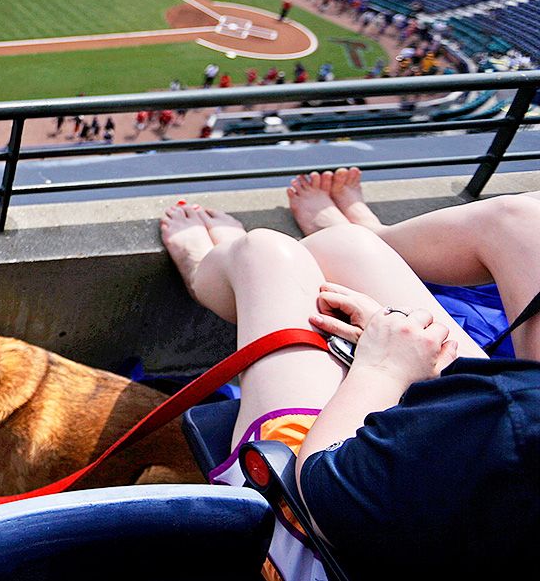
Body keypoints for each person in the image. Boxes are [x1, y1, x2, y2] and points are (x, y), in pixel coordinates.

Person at [159, 169, 540, 580]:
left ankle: (205, 270)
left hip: (322, 533)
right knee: (349, 246)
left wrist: (383, 366)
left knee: (267, 253)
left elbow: (326, 491)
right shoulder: (511, 411)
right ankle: (370, 234)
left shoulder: (511, 416)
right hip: (494, 462)